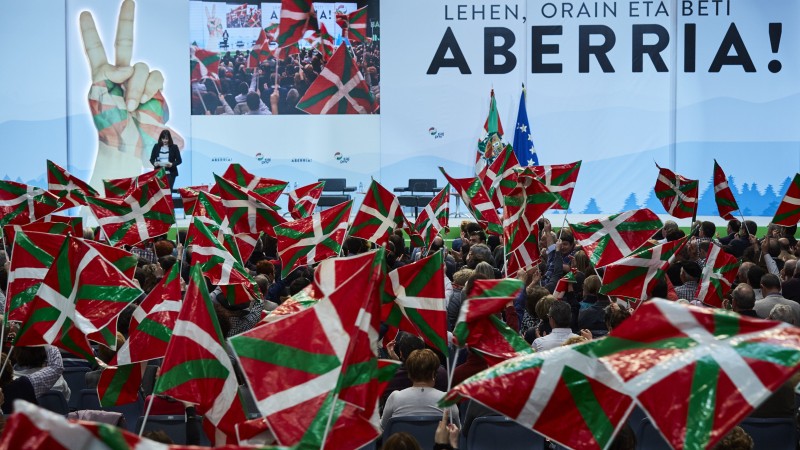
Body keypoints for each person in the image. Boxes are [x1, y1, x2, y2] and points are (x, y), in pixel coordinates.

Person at [380, 349, 460, 430]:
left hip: (402, 442)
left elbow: (383, 427)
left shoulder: (395, 397)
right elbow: (457, 430)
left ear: (409, 374)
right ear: (434, 374)